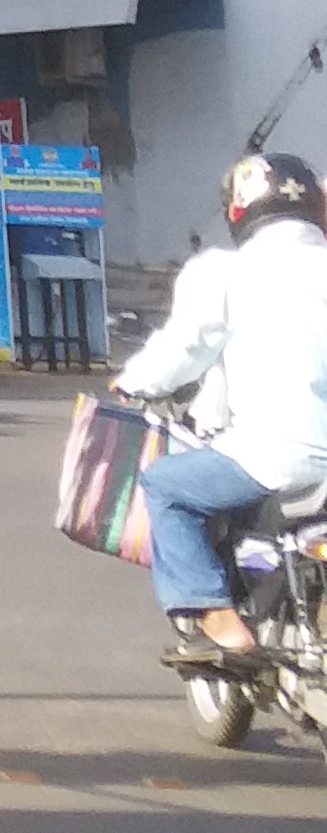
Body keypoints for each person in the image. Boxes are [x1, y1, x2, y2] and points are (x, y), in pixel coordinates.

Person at [115, 151, 327, 654]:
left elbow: (186, 348)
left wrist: (131, 381)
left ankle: (217, 617)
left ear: (238, 210)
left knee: (166, 485)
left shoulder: (226, 272)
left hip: (279, 459)